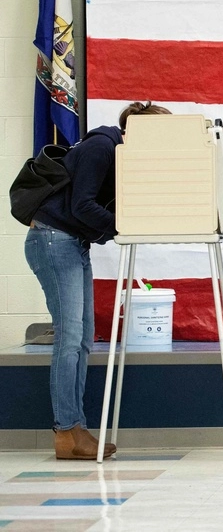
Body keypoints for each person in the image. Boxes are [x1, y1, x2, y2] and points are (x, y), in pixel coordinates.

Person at [24, 101, 171, 460]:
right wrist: (125, 225)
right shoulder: (101, 147)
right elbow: (82, 206)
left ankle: (76, 429)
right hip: (53, 240)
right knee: (70, 339)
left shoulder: (117, 153)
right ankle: (65, 431)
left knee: (83, 339)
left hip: (70, 243)